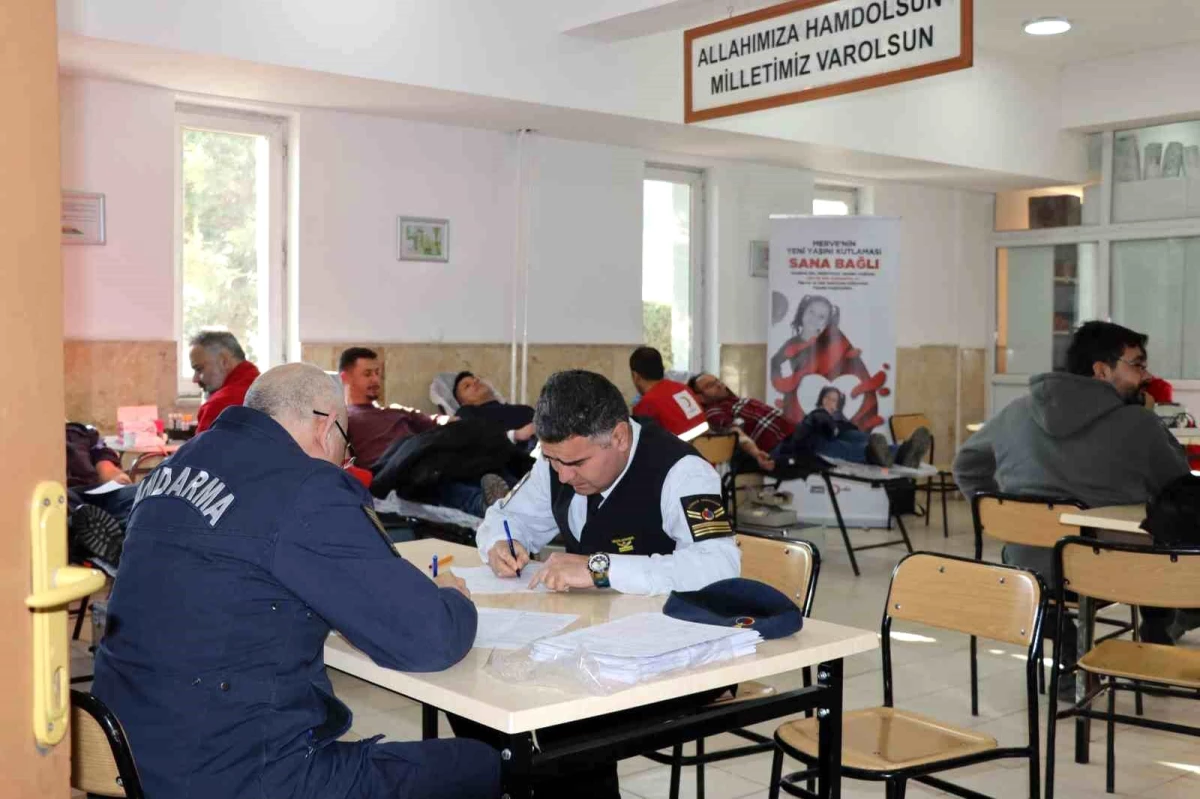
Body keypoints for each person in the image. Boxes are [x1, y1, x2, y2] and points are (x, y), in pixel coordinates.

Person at [91, 363, 500, 799]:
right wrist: (453, 600)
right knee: (480, 766)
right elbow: (431, 640)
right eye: (347, 448)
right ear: (326, 428)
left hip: (123, 753)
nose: (343, 462)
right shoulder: (305, 486)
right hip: (231, 774)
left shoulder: (173, 468)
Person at [466, 369, 738, 797]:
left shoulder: (682, 472)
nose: (562, 476)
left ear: (619, 437)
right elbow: (506, 514)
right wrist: (503, 540)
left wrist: (600, 568)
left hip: (672, 655)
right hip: (592, 640)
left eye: (574, 463)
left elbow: (720, 566)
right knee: (478, 696)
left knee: (557, 719)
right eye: (552, 461)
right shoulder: (558, 461)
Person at [953, 320, 1191, 650]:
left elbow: (966, 466)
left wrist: (997, 514)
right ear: (1102, 370)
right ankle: (1156, 629)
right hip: (1115, 570)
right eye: (1137, 365)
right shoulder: (1138, 423)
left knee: (1053, 558)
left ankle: (1063, 641)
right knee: (1170, 531)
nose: (1146, 376)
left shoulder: (1016, 412)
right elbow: (1178, 490)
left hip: (1030, 568)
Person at [339, 347, 508, 514]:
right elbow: (342, 462)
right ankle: (480, 503)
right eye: (368, 374)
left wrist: (457, 422)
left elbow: (435, 423)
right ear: (345, 378)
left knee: (472, 440)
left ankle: (514, 491)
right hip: (393, 473)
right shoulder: (345, 418)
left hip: (424, 456)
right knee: (429, 476)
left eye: (377, 373)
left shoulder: (396, 411)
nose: (376, 379)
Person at [769, 294, 886, 429]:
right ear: (803, 312)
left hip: (827, 398)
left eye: (821, 317)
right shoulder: (792, 343)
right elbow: (775, 362)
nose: (814, 318)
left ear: (827, 322)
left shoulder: (831, 342)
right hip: (801, 398)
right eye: (811, 311)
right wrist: (783, 382)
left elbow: (851, 367)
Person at [779, 386, 930, 468]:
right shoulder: (816, 413)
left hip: (839, 431)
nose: (830, 402)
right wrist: (833, 429)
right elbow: (823, 426)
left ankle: (903, 453)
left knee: (867, 439)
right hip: (816, 440)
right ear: (821, 399)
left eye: (834, 400)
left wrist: (841, 428)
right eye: (827, 398)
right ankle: (874, 454)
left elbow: (847, 431)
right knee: (843, 447)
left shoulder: (839, 419)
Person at [689, 372, 792, 471]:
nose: (719, 385)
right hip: (779, 449)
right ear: (700, 398)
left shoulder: (735, 402)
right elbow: (737, 434)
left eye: (717, 381)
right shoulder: (714, 411)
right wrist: (756, 453)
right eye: (710, 385)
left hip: (791, 437)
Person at [628, 346, 708, 439]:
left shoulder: (646, 404)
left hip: (680, 452)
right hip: (709, 449)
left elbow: (643, 444)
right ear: (662, 369)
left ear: (635, 376)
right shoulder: (683, 389)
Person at [190, 330, 261, 433]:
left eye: (199, 369)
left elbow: (202, 449)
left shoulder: (218, 406)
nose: (195, 379)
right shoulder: (266, 390)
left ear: (224, 361)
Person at [452, 370, 536, 445]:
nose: (475, 381)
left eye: (476, 379)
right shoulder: (466, 413)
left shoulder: (524, 409)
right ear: (463, 403)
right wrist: (514, 435)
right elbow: (472, 438)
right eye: (467, 386)